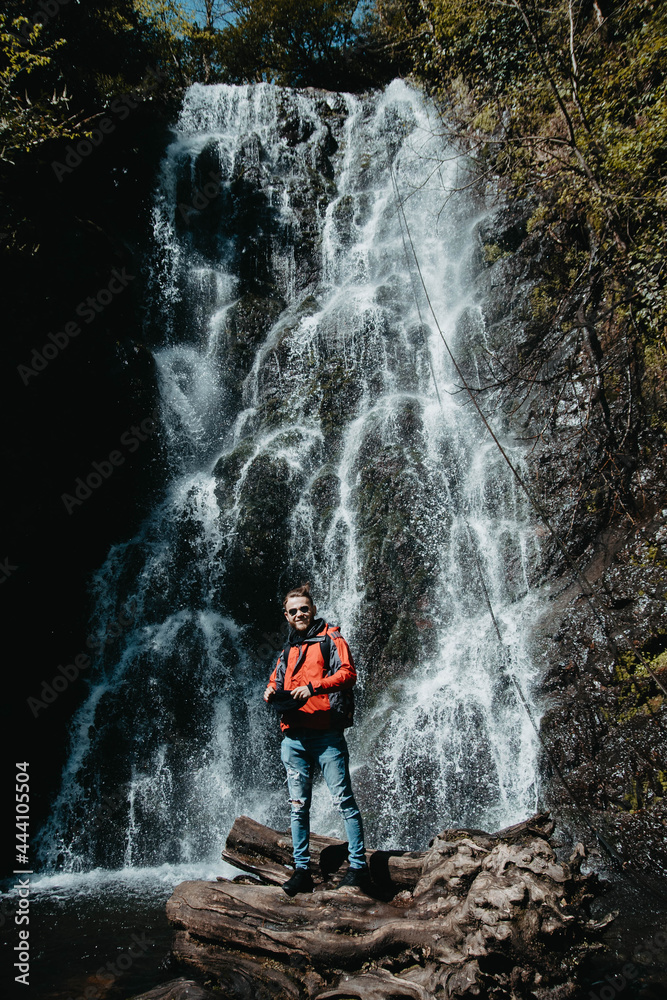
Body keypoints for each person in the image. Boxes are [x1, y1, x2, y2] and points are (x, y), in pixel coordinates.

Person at [263, 583, 370, 896]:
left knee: (343, 801)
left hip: (326, 735)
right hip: (293, 739)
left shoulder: (331, 638)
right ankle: (302, 871)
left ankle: (359, 868)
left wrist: (314, 687)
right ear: (286, 615)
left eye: (304, 609)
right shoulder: (289, 648)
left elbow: (349, 674)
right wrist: (269, 690)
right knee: (298, 806)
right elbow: (276, 678)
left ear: (313, 610)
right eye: (293, 611)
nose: (299, 614)